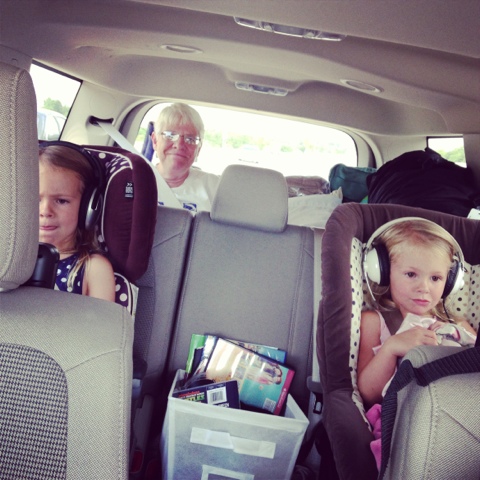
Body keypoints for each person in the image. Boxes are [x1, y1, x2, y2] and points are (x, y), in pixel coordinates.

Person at [358, 218, 477, 469]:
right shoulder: (375, 322)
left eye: (436, 278)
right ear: (383, 271)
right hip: (408, 420)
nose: (424, 288)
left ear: (451, 281)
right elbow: (368, 393)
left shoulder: (460, 326)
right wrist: (391, 348)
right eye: (411, 274)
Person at [39, 144, 116, 302]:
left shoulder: (93, 269)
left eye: (61, 201)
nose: (45, 211)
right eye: (35, 199)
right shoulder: (9, 261)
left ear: (87, 208)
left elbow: (103, 319)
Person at [150, 102, 220, 212]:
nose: (179, 145)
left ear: (198, 149)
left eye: (190, 139)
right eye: (170, 135)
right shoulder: (133, 180)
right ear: (155, 141)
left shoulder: (215, 187)